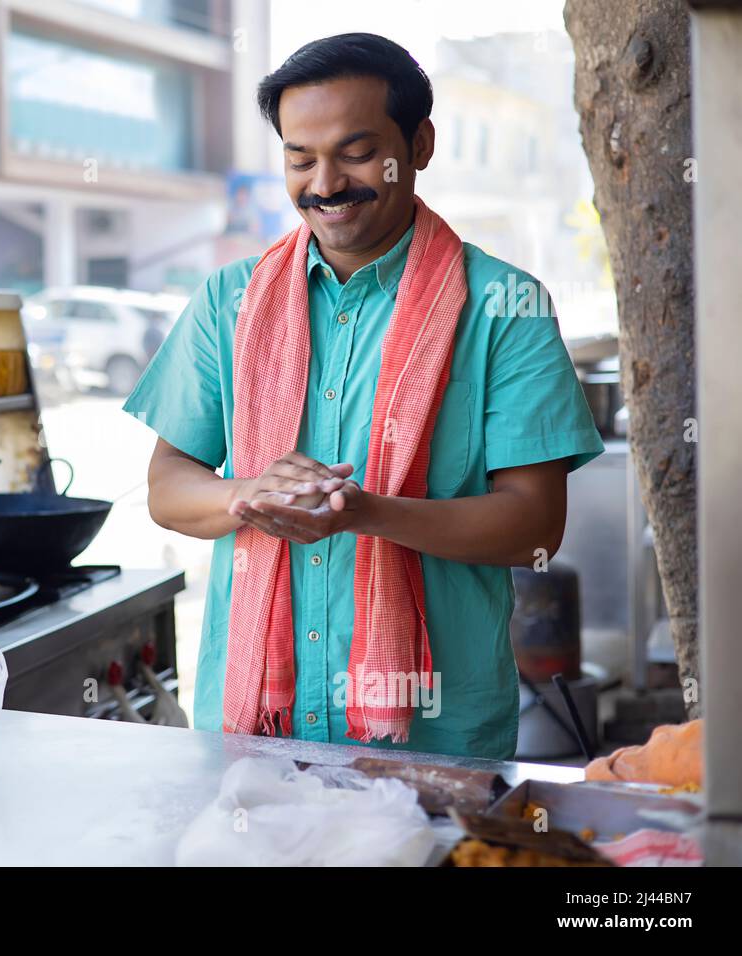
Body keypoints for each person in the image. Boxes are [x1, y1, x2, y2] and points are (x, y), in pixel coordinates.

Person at [122, 33, 603, 760]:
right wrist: (250, 495)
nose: (325, 183)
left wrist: (366, 514)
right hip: (253, 735)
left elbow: (533, 529)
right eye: (299, 157)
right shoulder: (230, 300)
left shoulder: (504, 305)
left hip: (435, 740)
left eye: (354, 152)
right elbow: (167, 489)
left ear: (420, 144)